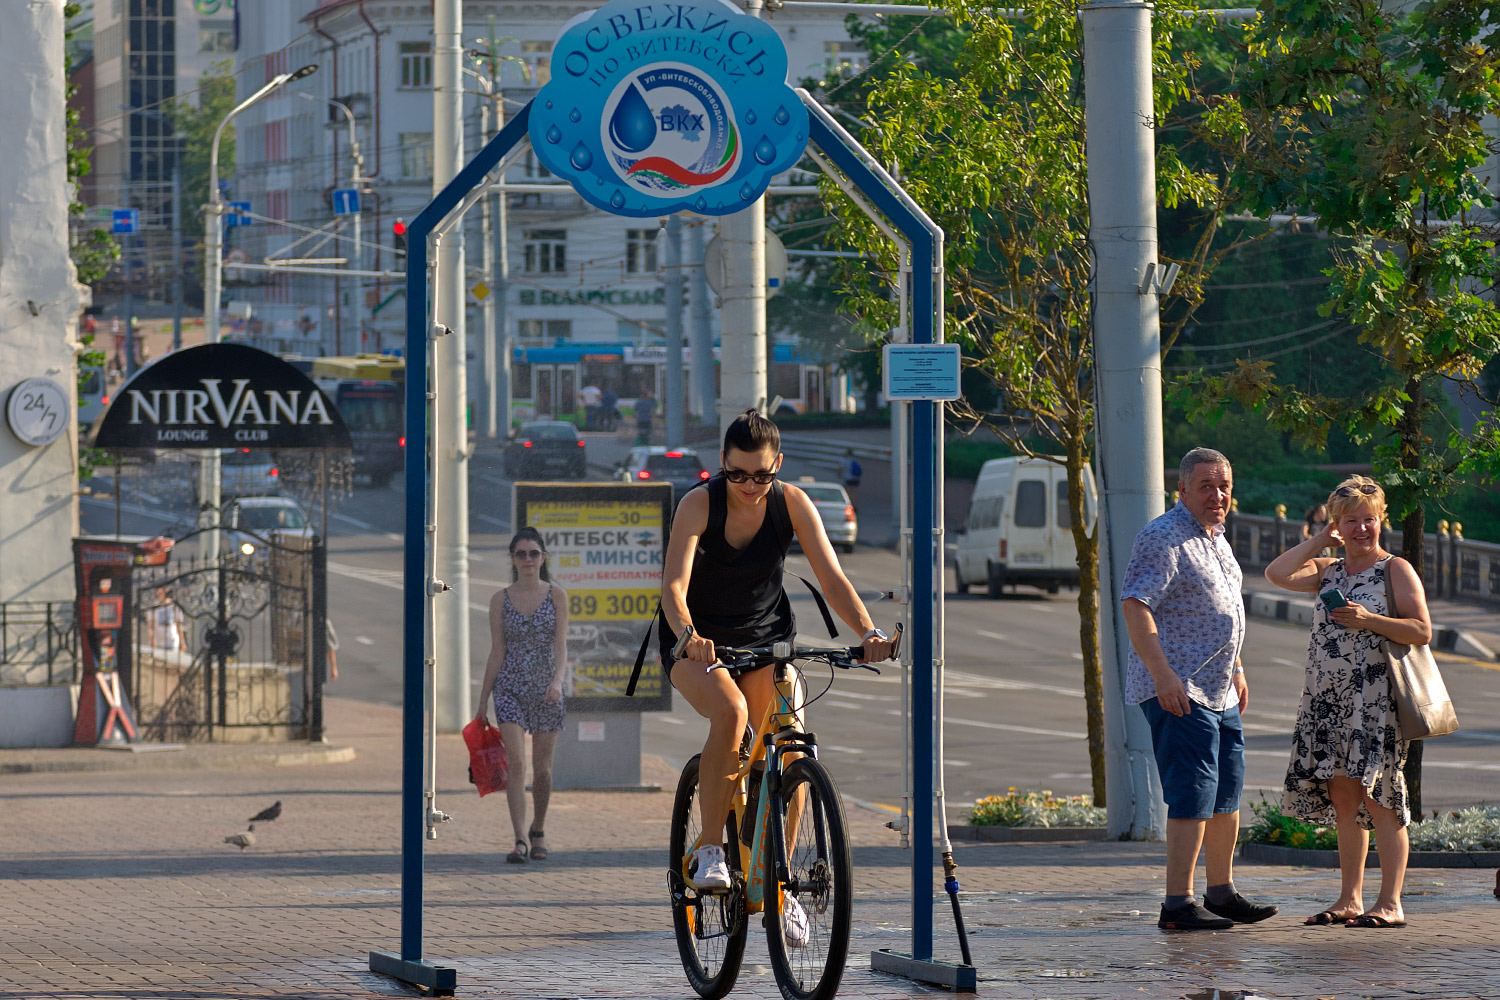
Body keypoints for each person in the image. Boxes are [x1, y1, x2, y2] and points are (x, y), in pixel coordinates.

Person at [659, 409, 896, 924]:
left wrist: (868, 633)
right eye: (739, 474)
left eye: (763, 475)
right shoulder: (698, 505)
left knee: (795, 747)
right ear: (722, 463)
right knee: (731, 713)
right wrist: (688, 636)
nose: (750, 485)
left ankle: (779, 881)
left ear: (778, 466)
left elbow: (832, 579)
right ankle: (712, 849)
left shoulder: (792, 503)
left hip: (768, 640)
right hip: (697, 643)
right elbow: (673, 588)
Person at [1121, 447, 1278, 931]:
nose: (1217, 495)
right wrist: (1163, 674)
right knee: (1192, 792)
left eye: (1224, 486)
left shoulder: (1216, 537)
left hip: (1219, 686)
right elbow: (1136, 605)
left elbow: (1219, 610)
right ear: (1182, 490)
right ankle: (1177, 904)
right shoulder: (1164, 536)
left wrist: (1238, 668)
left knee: (1226, 790)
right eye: (1206, 486)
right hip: (1179, 687)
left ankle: (1221, 891)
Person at [1265, 476, 1429, 928]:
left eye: (1368, 519)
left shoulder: (1395, 569)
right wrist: (1321, 537)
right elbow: (1276, 574)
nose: (1361, 529)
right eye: (1350, 521)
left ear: (1382, 521)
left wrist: (1370, 619)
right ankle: (1349, 899)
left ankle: (1391, 902)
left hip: (1376, 701)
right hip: (1328, 703)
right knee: (1343, 797)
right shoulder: (1328, 570)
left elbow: (1421, 630)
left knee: (1381, 797)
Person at [474, 526, 570, 864]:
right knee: (516, 763)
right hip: (510, 686)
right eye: (521, 554)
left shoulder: (557, 595)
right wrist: (482, 699)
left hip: (547, 690)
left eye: (534, 553)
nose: (528, 560)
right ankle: (518, 839)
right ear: (513, 559)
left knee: (542, 769)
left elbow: (561, 645)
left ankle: (538, 829)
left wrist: (557, 682)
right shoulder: (500, 599)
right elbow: (496, 651)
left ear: (543, 558)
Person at [146, 586, 187, 652]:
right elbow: (150, 626)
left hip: (172, 642)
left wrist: (182, 642)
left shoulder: (174, 606)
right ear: (157, 592)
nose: (163, 592)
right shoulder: (153, 608)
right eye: (161, 589)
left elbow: (179, 625)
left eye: (165, 589)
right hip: (158, 643)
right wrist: (151, 639)